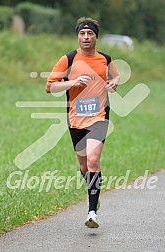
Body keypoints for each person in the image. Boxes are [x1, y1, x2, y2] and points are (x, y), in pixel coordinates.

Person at [46, 17, 119, 228]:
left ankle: (92, 211)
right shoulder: (67, 59)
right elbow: (50, 87)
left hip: (99, 115)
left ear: (96, 36)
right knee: (85, 166)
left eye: (90, 34)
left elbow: (115, 76)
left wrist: (114, 82)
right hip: (76, 117)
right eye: (82, 34)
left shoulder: (105, 58)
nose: (86, 37)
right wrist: (72, 82)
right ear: (78, 36)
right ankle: (93, 190)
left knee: (94, 160)